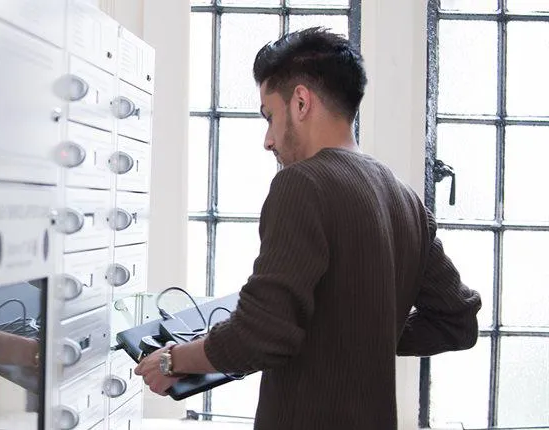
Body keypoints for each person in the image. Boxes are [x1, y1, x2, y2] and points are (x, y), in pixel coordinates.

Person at [135, 27, 481, 429]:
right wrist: (358, 332)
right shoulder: (405, 199)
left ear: (301, 102)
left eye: (269, 116)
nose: (267, 140)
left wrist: (171, 359)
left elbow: (259, 335)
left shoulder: (302, 184)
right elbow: (458, 322)